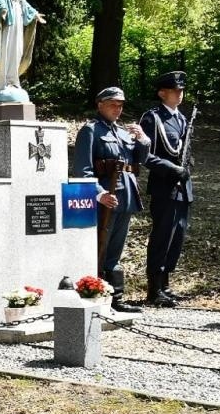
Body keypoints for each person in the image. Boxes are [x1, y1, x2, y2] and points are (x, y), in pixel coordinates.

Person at [73, 86, 149, 313]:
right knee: (100, 247)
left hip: (126, 196)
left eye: (121, 105)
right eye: (113, 104)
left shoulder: (124, 133)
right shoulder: (90, 130)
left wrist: (143, 140)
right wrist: (99, 194)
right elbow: (82, 170)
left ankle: (116, 298)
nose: (118, 109)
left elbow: (138, 160)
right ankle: (96, 294)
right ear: (100, 105)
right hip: (104, 198)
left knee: (115, 249)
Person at [140, 70, 195, 307]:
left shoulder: (181, 119)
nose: (179, 94)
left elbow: (186, 151)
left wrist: (186, 169)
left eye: (181, 90)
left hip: (182, 186)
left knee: (177, 236)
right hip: (164, 185)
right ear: (162, 93)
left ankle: (165, 284)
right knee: (162, 236)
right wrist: (171, 169)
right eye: (175, 90)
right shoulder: (153, 118)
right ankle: (154, 289)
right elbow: (144, 155)